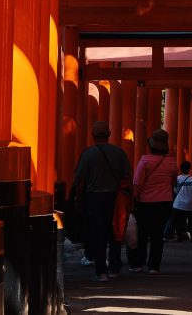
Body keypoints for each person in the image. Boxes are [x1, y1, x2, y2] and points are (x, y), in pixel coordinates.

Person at [73, 120, 132, 282]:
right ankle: (114, 268)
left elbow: (79, 180)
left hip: (94, 198)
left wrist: (78, 199)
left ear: (92, 135)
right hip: (115, 198)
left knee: (98, 234)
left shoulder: (87, 154)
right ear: (109, 134)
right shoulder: (119, 153)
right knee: (115, 231)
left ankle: (101, 272)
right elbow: (127, 176)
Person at [129, 129, 178, 274]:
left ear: (151, 145)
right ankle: (154, 266)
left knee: (142, 234)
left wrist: (133, 198)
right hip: (164, 202)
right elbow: (173, 182)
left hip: (145, 202)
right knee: (157, 234)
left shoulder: (145, 161)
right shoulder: (172, 162)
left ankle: (138, 263)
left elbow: (137, 183)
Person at [171, 160, 192, 242]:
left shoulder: (178, 179)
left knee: (178, 221)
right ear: (189, 169)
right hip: (190, 204)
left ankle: (179, 236)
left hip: (179, 204)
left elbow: (175, 190)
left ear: (181, 169)